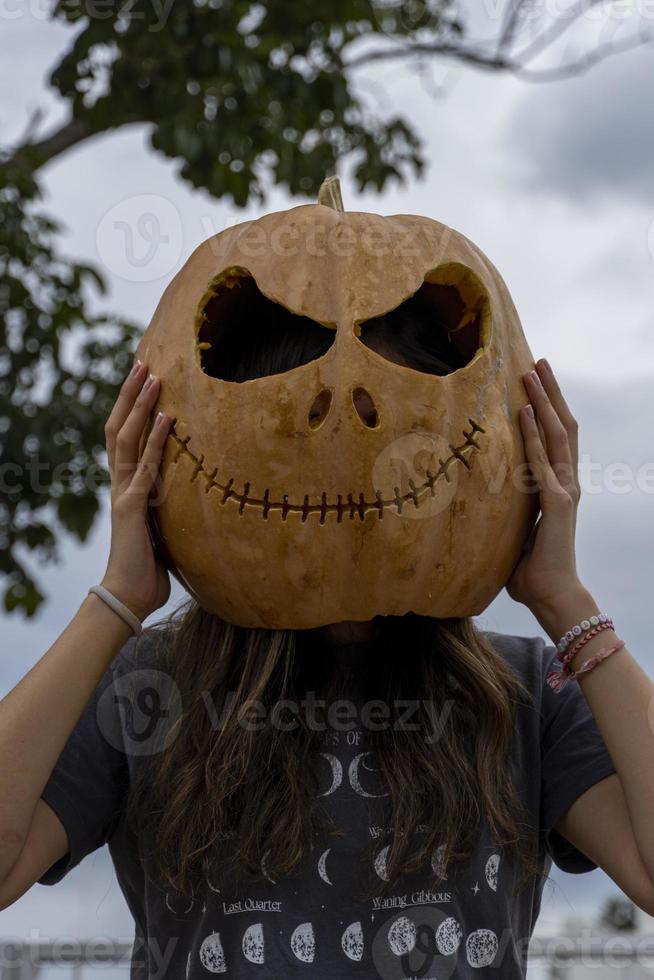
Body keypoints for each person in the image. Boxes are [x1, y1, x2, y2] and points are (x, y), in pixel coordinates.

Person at [1, 292, 652, 980]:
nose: (344, 460)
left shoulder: (527, 694)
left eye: (384, 427)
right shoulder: (149, 684)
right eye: (292, 433)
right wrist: (117, 600)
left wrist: (567, 603)